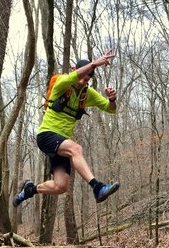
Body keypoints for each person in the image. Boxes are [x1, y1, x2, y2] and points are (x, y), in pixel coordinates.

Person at [13, 48, 120, 207]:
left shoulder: (87, 93)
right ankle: (97, 187)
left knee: (61, 186)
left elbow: (111, 109)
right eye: (81, 77)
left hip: (62, 142)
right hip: (47, 135)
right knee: (76, 149)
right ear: (74, 70)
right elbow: (73, 77)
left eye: (86, 80)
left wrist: (112, 99)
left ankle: (29, 190)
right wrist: (94, 64)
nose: (82, 81)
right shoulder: (61, 83)